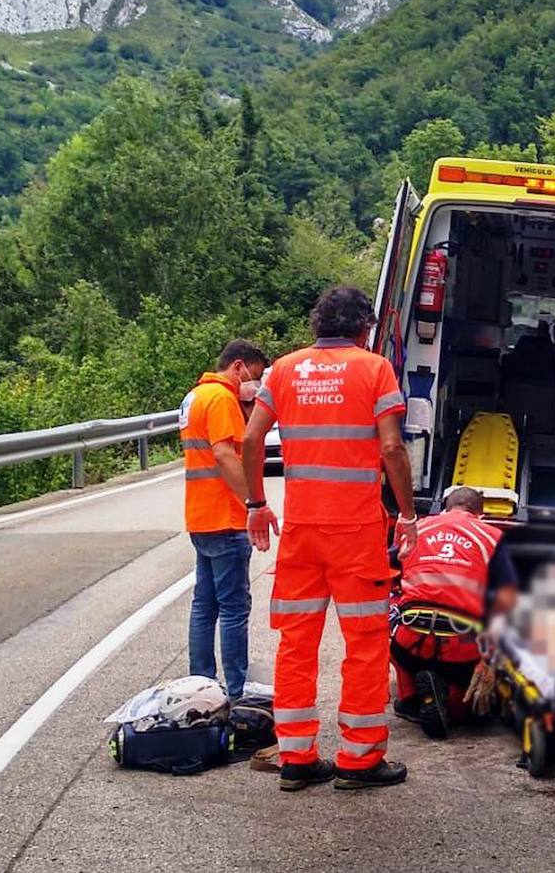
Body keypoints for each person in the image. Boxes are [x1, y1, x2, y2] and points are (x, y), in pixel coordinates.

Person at [242, 286, 417, 792]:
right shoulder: (373, 368)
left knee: (296, 642)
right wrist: (406, 514)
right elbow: (391, 447)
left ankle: (297, 757)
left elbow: (252, 438)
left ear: (318, 326)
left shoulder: (283, 370)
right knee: (363, 642)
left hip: (301, 531)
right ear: (364, 327)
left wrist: (256, 504)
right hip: (356, 532)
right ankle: (359, 761)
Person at [390, 487, 518, 739]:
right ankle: (454, 706)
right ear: (480, 514)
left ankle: (411, 698)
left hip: (411, 638)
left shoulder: (417, 530)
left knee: (395, 624)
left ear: (445, 508)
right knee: (471, 709)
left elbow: (393, 572)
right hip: (461, 644)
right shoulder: (494, 538)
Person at [180, 340, 269, 700]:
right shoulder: (221, 399)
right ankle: (236, 690)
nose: (255, 384)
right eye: (255, 376)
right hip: (225, 516)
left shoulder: (194, 397)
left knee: (205, 604)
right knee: (234, 607)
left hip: (200, 516)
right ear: (238, 366)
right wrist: (253, 501)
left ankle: (200, 683)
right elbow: (224, 453)